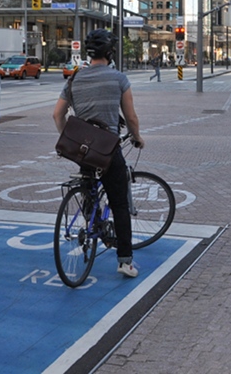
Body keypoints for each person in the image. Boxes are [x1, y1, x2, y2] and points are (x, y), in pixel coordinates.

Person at [53, 29, 145, 279]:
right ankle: (125, 261)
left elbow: (57, 114)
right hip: (108, 150)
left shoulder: (74, 78)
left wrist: (69, 138)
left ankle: (92, 224)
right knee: (120, 204)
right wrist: (137, 138)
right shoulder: (119, 79)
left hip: (82, 150)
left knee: (89, 188)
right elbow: (131, 117)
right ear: (110, 53)